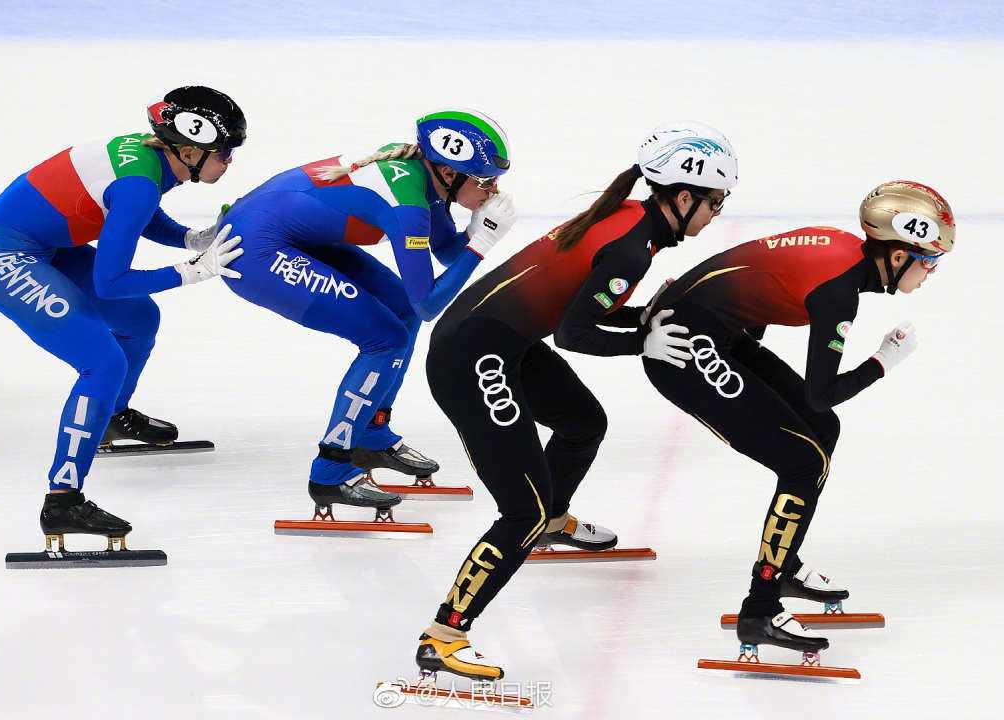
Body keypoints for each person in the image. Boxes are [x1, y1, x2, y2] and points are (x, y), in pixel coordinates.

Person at [414, 122, 739, 681]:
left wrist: (641, 318)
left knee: (582, 422)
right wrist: (643, 339)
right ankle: (444, 635)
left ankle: (550, 519)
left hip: (499, 339)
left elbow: (580, 307)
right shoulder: (632, 246)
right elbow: (576, 334)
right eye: (715, 202)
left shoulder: (632, 219)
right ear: (683, 197)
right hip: (472, 357)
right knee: (522, 509)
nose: (716, 215)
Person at [642, 180, 955, 656]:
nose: (930, 273)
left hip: (711, 330)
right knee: (802, 462)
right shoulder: (839, 292)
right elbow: (822, 391)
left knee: (821, 432)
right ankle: (760, 607)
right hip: (682, 350)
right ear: (896, 257)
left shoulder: (841, 251)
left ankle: (782, 564)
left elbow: (757, 271)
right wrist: (881, 363)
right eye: (928, 261)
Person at [0, 86, 246, 548]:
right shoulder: (138, 183)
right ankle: (62, 499)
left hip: (47, 248)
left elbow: (136, 213)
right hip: (3, 257)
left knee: (139, 320)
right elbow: (109, 281)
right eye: (226, 152)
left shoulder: (151, 162)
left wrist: (190, 238)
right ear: (190, 149)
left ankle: (110, 415)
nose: (230, 161)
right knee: (103, 361)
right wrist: (190, 272)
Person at [218, 108, 518, 514]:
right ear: (449, 172)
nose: (493, 190)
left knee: (400, 315)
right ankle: (330, 471)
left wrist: (471, 232)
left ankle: (370, 434)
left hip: (295, 237)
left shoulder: (426, 179)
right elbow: (429, 302)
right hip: (254, 251)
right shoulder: (409, 203)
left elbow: (445, 254)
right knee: (386, 339)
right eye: (485, 181)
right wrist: (482, 243)